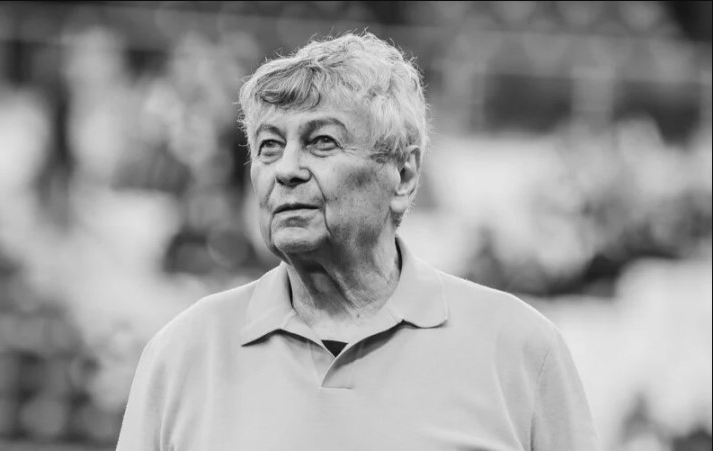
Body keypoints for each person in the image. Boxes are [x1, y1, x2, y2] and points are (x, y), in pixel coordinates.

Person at [116, 32, 599, 451]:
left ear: (403, 174)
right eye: (269, 146)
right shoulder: (182, 354)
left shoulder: (519, 350)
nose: (286, 169)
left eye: (321, 141)